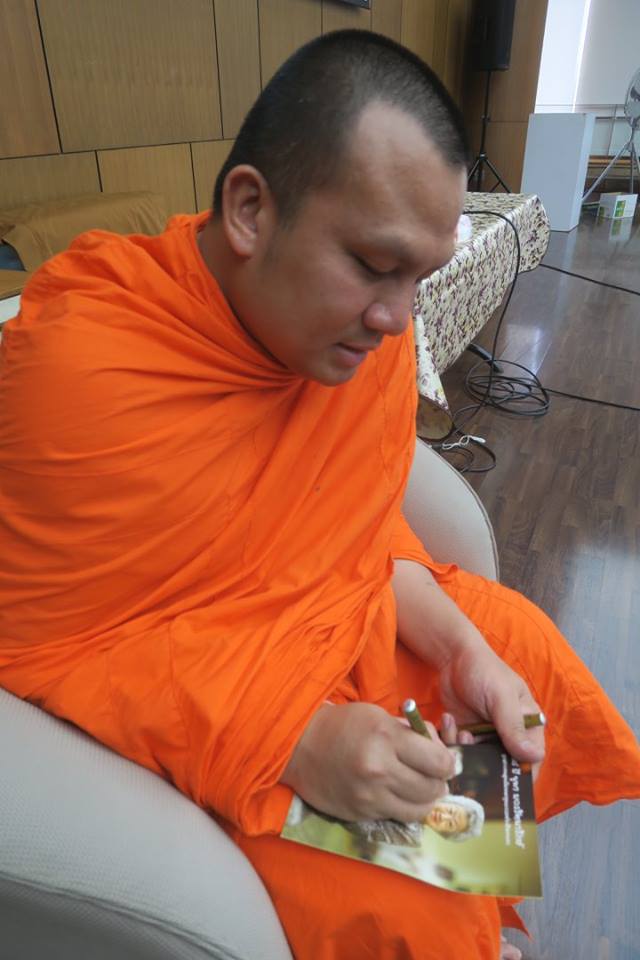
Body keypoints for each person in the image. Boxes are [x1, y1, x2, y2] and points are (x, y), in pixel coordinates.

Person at [1, 29, 639, 960]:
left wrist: (461, 650)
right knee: (414, 914)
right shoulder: (82, 377)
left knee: (525, 660)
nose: (397, 320)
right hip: (199, 710)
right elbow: (52, 647)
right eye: (375, 265)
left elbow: (355, 538)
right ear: (250, 210)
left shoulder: (360, 339)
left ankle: (485, 905)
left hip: (332, 626)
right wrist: (295, 741)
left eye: (419, 277)